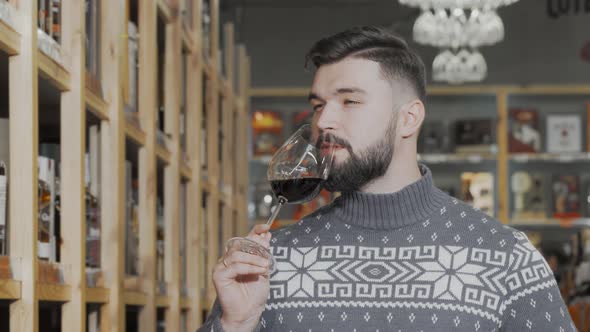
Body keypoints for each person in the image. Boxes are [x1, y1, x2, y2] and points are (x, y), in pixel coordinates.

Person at [198, 26, 576, 332]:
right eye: (318, 105)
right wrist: (235, 324)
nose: (323, 121)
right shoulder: (271, 261)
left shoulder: (507, 257)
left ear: (408, 119)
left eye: (349, 101)